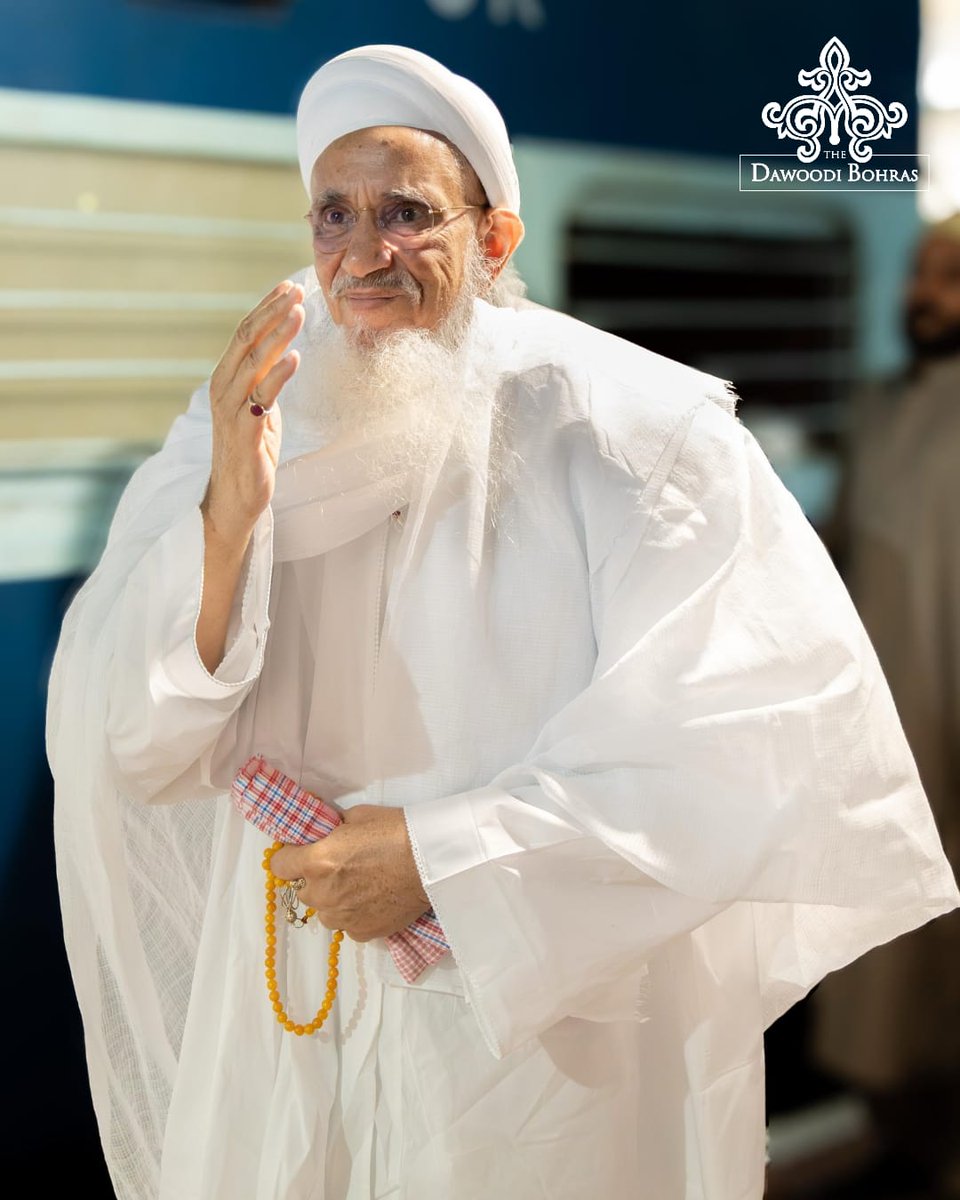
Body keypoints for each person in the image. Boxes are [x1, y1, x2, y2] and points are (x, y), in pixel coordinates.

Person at [47, 45, 958, 1200]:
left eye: (407, 213)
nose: (363, 252)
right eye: (335, 213)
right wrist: (227, 519)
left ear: (493, 240)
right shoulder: (246, 412)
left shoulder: (640, 435)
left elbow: (751, 745)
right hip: (283, 1028)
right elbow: (120, 735)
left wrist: (441, 859)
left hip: (535, 1065)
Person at [812, 214, 960, 1198]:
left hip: (950, 740)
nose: (924, 292)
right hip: (879, 739)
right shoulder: (882, 408)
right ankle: (898, 1144)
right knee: (879, 978)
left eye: (949, 275)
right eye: (920, 270)